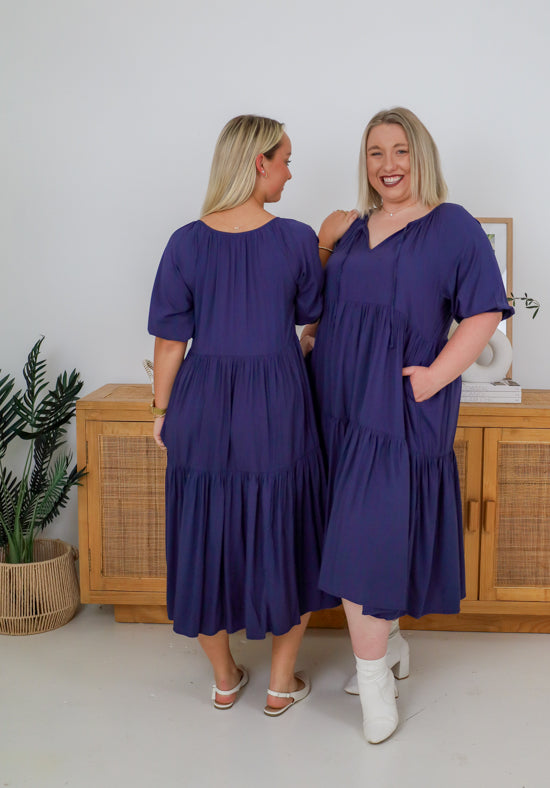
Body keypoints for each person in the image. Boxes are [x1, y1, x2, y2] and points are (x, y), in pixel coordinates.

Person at [301, 107, 513, 744]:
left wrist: (432, 378)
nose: (388, 165)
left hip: (397, 406)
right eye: (375, 153)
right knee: (360, 528)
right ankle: (390, 646)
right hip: (334, 400)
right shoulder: (354, 229)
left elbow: (483, 315)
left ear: (422, 156)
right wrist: (314, 337)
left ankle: (373, 685)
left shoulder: (454, 227)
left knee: (366, 539)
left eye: (400, 151)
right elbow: (331, 305)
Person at [148, 115, 338, 717]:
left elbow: (170, 343)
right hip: (278, 400)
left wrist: (161, 411)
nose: (289, 170)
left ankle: (226, 677)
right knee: (289, 528)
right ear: (258, 162)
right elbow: (313, 317)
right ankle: (281, 683)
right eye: (284, 159)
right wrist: (327, 250)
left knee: (202, 532)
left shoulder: (184, 241)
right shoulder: (296, 239)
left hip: (202, 401)